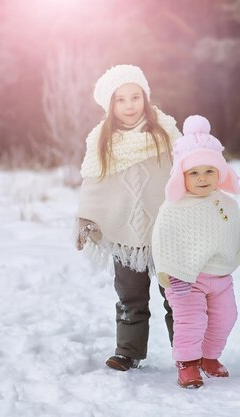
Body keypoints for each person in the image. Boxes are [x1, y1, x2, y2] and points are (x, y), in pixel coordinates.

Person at [151, 115, 240, 388]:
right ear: (181, 176)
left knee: (226, 318)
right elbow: (164, 239)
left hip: (219, 277)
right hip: (186, 279)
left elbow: (232, 226)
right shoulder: (174, 207)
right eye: (194, 172)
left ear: (220, 172)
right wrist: (172, 272)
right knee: (191, 322)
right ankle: (187, 364)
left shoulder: (225, 203)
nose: (202, 178)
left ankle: (209, 357)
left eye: (209, 171)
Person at [75, 64, 181, 371]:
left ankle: (188, 350)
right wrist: (86, 218)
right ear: (110, 105)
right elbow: (93, 182)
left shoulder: (166, 131)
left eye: (135, 97)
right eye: (120, 100)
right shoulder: (102, 140)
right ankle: (128, 351)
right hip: (124, 233)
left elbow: (188, 168)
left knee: (177, 293)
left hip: (167, 227)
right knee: (130, 295)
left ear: (145, 97)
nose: (129, 105)